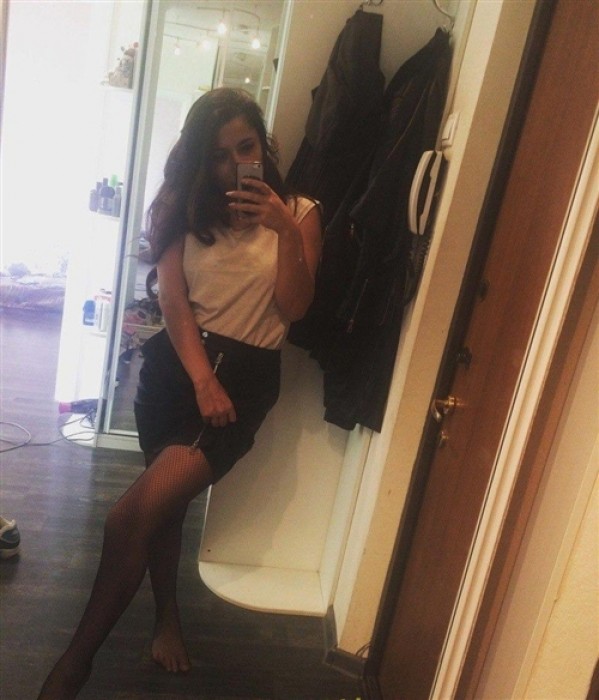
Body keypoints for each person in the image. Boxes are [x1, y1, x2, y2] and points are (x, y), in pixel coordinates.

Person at [37, 87, 322, 699]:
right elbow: (171, 300)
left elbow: (295, 306)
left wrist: (283, 230)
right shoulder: (181, 206)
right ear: (199, 159)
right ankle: (167, 619)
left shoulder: (299, 212)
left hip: (242, 383)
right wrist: (201, 379)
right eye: (217, 154)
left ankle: (72, 667)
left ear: (263, 144)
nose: (234, 164)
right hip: (178, 371)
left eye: (244, 147)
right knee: (161, 508)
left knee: (129, 516)